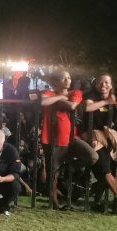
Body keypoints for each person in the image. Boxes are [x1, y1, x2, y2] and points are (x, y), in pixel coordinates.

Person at [40, 70, 97, 210]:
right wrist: (60, 97)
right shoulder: (48, 93)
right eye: (63, 78)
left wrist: (57, 99)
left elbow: (72, 105)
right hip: (52, 140)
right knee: (52, 175)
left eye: (69, 77)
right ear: (55, 82)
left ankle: (66, 168)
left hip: (71, 138)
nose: (68, 80)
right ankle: (54, 204)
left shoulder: (75, 93)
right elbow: (43, 101)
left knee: (92, 156)